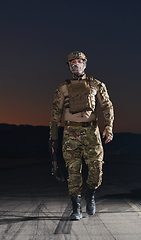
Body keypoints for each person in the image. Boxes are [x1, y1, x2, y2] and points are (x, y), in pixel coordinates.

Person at [49, 51, 114, 220]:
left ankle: (90, 194)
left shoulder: (96, 85)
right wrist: (53, 137)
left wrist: (108, 127)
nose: (76, 64)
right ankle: (76, 208)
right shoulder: (63, 88)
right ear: (69, 66)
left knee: (96, 169)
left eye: (79, 61)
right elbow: (55, 113)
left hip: (92, 133)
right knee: (73, 172)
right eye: (72, 62)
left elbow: (107, 106)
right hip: (71, 133)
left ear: (85, 64)